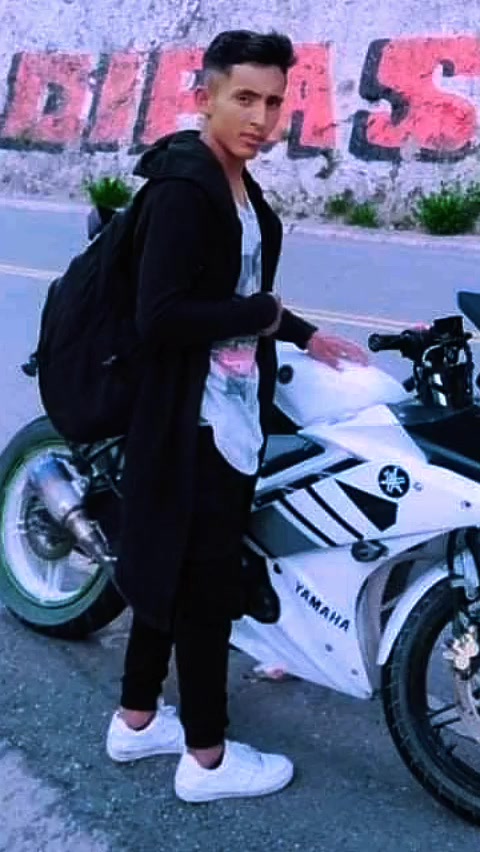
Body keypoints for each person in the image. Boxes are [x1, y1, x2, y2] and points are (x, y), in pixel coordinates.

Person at [106, 29, 367, 803]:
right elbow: (162, 316)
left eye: (274, 102)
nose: (261, 117)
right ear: (206, 97)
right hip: (192, 424)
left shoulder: (234, 185)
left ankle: (136, 719)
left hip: (219, 412)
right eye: (244, 98)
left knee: (171, 568)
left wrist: (302, 333)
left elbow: (234, 289)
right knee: (204, 588)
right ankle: (208, 759)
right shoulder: (186, 190)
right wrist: (262, 315)